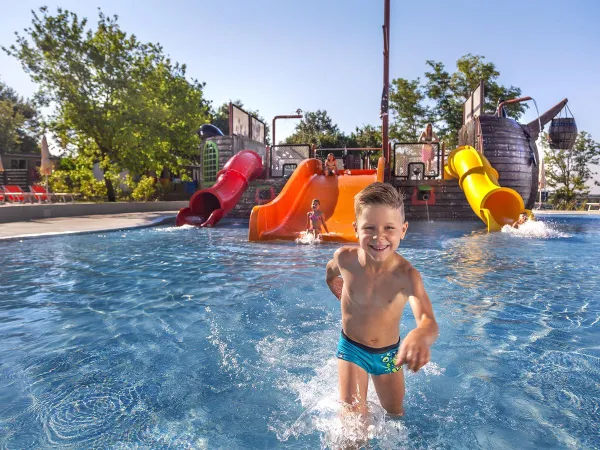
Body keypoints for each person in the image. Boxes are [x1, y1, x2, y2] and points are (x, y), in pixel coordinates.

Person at [325, 182, 438, 417]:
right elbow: (331, 270)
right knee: (352, 426)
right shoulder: (345, 259)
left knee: (395, 412)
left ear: (403, 230)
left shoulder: (406, 276)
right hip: (352, 349)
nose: (379, 237)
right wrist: (333, 283)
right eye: (369, 228)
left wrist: (420, 334)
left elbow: (428, 319)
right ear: (356, 228)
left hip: (389, 356)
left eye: (389, 227)